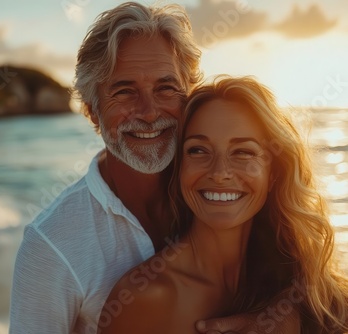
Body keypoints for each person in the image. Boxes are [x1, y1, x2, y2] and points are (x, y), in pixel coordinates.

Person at [9, 2, 300, 333]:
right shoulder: (51, 246)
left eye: (166, 88)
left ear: (188, 95)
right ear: (92, 112)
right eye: (124, 91)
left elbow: (312, 280)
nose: (148, 112)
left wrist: (290, 316)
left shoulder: (221, 188)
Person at [98, 76, 348, 334]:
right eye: (198, 150)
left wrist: (293, 319)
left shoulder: (297, 276)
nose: (219, 173)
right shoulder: (145, 299)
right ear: (179, 168)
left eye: (243, 152)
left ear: (274, 173)